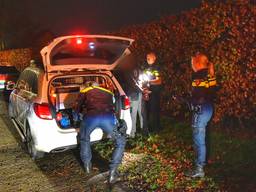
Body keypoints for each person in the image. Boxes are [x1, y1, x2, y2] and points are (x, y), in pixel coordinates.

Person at [73, 81, 126, 184]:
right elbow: (115, 105)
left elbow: (77, 107)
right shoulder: (109, 92)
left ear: (89, 86)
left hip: (91, 118)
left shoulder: (85, 91)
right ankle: (113, 172)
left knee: (84, 139)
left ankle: (87, 166)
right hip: (108, 118)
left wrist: (76, 120)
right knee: (120, 141)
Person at [185, 52, 217, 178]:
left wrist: (186, 100)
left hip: (201, 109)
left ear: (197, 63)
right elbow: (211, 92)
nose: (191, 64)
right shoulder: (210, 74)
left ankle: (199, 169)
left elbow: (198, 96)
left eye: (192, 62)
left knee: (198, 139)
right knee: (204, 136)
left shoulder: (198, 76)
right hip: (209, 108)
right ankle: (204, 160)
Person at [143, 52, 162, 133]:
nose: (147, 59)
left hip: (155, 93)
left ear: (154, 58)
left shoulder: (156, 68)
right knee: (147, 110)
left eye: (149, 58)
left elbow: (159, 81)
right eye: (147, 58)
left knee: (155, 111)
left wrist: (149, 82)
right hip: (147, 92)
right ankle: (148, 128)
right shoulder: (146, 67)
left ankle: (156, 128)